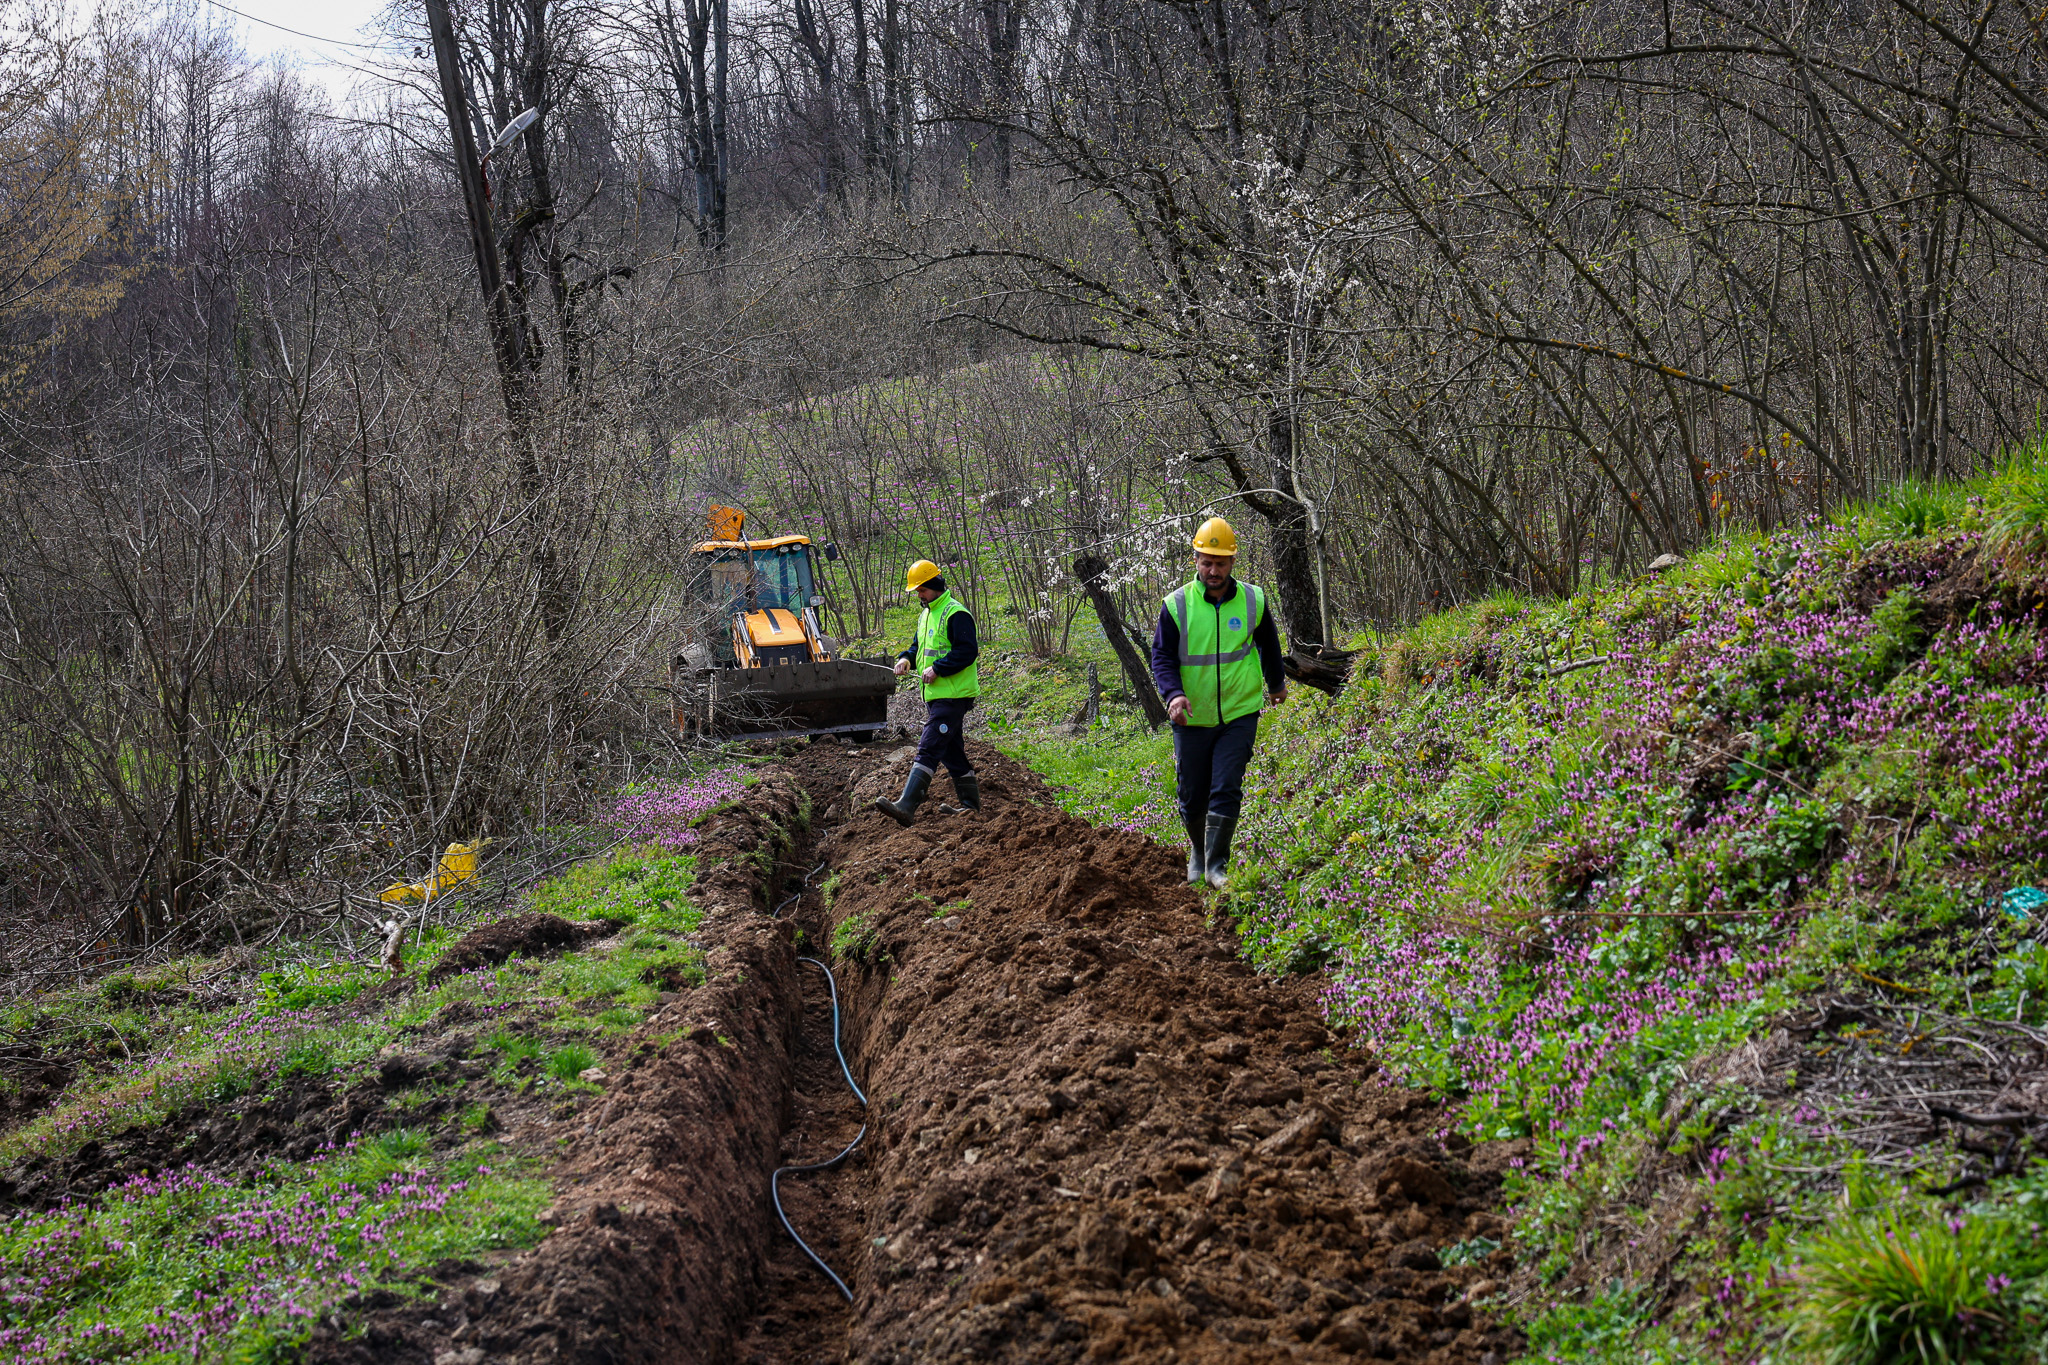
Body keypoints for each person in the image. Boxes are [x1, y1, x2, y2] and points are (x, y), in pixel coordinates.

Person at [1151, 517, 1286, 888]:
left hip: (1239, 713)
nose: (1213, 570)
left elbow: (1269, 644)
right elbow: (1161, 657)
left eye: (1220, 563)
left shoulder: (1253, 599)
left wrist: (1276, 685)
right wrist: (1174, 694)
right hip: (1191, 716)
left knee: (1226, 785)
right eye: (1206, 562)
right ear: (1195, 559)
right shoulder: (1176, 605)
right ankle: (1199, 850)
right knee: (1191, 791)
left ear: (1232, 562)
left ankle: (1216, 866)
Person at [874, 560, 981, 824]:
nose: (919, 595)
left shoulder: (955, 613)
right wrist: (905, 659)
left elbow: (967, 652)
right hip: (937, 696)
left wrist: (938, 669)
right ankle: (970, 807)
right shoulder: (926, 614)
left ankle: (908, 806)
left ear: (934, 585)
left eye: (921, 590)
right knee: (951, 751)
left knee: (929, 746)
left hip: (953, 695)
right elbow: (917, 647)